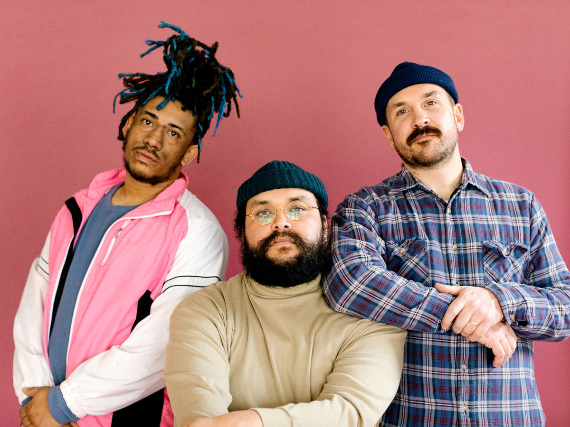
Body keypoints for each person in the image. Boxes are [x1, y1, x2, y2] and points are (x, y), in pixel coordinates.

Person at [14, 21, 241, 427]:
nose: (154, 139)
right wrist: (35, 397)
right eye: (148, 122)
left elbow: (165, 342)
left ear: (189, 153)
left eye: (173, 133)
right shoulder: (76, 209)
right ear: (129, 123)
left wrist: (64, 404)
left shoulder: (197, 230)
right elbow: (35, 303)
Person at [323, 62, 570, 426]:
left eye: (431, 103)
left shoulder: (521, 205)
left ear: (458, 116)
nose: (420, 119)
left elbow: (565, 306)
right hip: (411, 418)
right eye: (402, 112)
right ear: (389, 135)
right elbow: (349, 284)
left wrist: (498, 302)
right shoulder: (365, 207)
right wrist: (470, 317)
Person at [164, 160, 407, 427]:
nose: (281, 223)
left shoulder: (369, 313)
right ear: (242, 232)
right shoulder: (204, 310)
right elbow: (200, 420)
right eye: (263, 213)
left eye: (297, 209)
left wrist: (251, 422)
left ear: (325, 225)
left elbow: (350, 413)